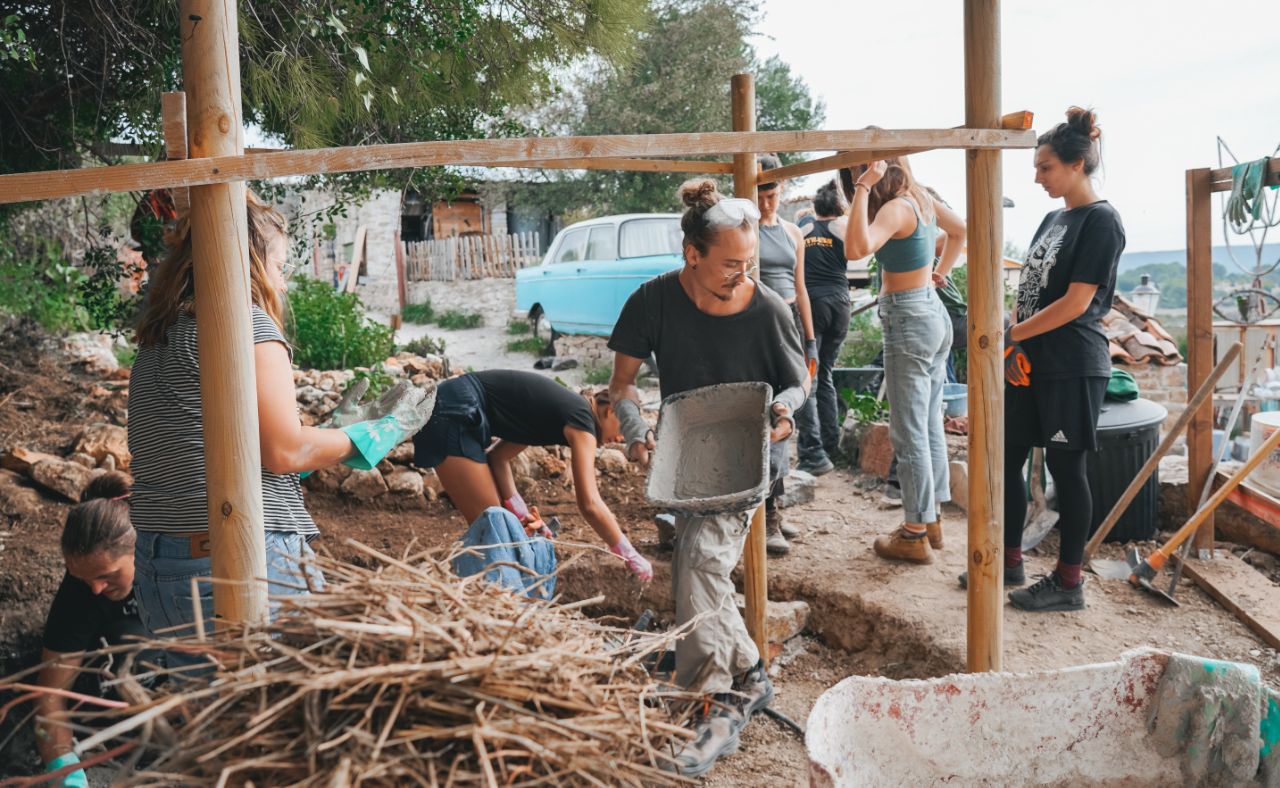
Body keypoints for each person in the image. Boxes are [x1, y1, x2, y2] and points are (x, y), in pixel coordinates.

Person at [128, 191, 432, 651]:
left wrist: (327, 434)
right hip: (238, 562)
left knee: (203, 720)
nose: (283, 281)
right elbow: (285, 451)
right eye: (279, 265)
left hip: (159, 567)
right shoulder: (245, 324)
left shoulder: (158, 339)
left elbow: (210, 451)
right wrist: (374, 434)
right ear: (250, 263)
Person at [608, 178, 808, 777]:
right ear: (691, 254)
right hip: (683, 454)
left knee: (700, 563)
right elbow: (621, 387)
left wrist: (784, 412)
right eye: (729, 264)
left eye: (749, 264)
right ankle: (748, 675)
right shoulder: (652, 301)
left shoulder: (766, 306)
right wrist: (637, 430)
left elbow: (800, 381)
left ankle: (715, 700)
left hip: (749, 457)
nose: (742, 275)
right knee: (698, 567)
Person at [990, 107, 1125, 611]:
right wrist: (1018, 344)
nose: (1037, 176)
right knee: (1009, 458)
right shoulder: (1053, 217)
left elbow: (1075, 302)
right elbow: (1030, 290)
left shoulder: (1103, 221)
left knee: (1067, 472)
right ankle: (1008, 561)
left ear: (1076, 164)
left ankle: (1069, 584)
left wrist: (1011, 336)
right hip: (1031, 359)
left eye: (1044, 167)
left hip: (1073, 365)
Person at [841, 155, 966, 564]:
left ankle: (913, 534)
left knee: (908, 431)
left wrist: (862, 187)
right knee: (928, 423)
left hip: (910, 318)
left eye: (858, 168)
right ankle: (931, 521)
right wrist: (939, 271)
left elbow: (856, 248)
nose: (856, 176)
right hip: (931, 312)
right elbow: (959, 231)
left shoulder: (895, 207)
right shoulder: (921, 198)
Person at [410, 370, 652, 580]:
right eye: (625, 429)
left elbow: (499, 458)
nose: (621, 440)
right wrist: (627, 552)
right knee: (497, 535)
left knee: (501, 532)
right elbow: (589, 503)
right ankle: (482, 605)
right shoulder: (583, 422)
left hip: (455, 404)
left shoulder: (563, 410)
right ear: (610, 411)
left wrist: (520, 513)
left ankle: (485, 602)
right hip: (454, 413)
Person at [34, 473, 149, 788]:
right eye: (84, 578)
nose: (96, 589)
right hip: (117, 720)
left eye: (107, 575)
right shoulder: (80, 591)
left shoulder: (175, 567)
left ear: (139, 549)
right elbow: (50, 697)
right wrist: (65, 772)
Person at [755, 154, 817, 555]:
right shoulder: (745, 230)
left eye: (772, 192)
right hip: (760, 322)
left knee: (790, 406)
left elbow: (802, 286)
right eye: (760, 192)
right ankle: (767, 515)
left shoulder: (794, 233)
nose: (766, 201)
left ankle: (776, 501)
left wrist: (810, 340)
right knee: (770, 411)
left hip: (792, 318)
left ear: (782, 190)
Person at [796, 179, 851, 472]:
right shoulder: (842, 228)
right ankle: (831, 445)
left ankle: (812, 451)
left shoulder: (803, 229)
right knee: (825, 374)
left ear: (815, 207)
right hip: (841, 305)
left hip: (813, 306)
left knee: (809, 378)